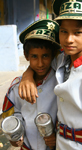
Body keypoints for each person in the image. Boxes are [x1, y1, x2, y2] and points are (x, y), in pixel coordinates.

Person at [18, 0, 82, 149]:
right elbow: (40, 63)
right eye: (63, 31)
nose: (69, 39)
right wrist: (27, 76)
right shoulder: (62, 59)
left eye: (78, 32)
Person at [2, 19, 61, 150]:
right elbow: (15, 113)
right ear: (26, 55)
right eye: (34, 56)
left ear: (53, 56)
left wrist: (58, 134)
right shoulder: (16, 87)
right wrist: (16, 134)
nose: (40, 63)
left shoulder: (60, 82)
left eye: (45, 56)